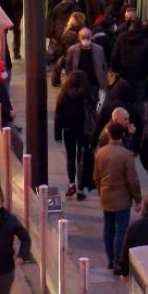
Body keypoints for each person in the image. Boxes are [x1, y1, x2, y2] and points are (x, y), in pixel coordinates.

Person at [94, 123, 142, 274]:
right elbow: (132, 179)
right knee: (121, 231)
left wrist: (100, 191)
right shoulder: (125, 154)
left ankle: (110, 260)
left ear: (108, 133)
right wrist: (137, 199)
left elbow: (96, 176)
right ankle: (118, 261)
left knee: (108, 229)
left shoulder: (100, 153)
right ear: (122, 135)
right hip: (122, 198)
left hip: (106, 196)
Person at [54, 70, 93, 200]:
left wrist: (57, 134)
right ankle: (81, 187)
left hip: (68, 130)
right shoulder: (86, 95)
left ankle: (71, 184)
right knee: (82, 158)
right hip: (83, 130)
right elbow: (93, 111)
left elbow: (58, 115)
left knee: (70, 156)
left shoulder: (64, 95)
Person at [65, 27, 108, 102]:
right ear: (79, 37)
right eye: (83, 37)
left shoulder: (99, 49)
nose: (85, 39)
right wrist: (71, 79)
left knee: (93, 101)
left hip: (94, 82)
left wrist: (103, 82)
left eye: (88, 37)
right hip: (78, 83)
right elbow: (68, 67)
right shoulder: (72, 50)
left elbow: (104, 66)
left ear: (91, 36)